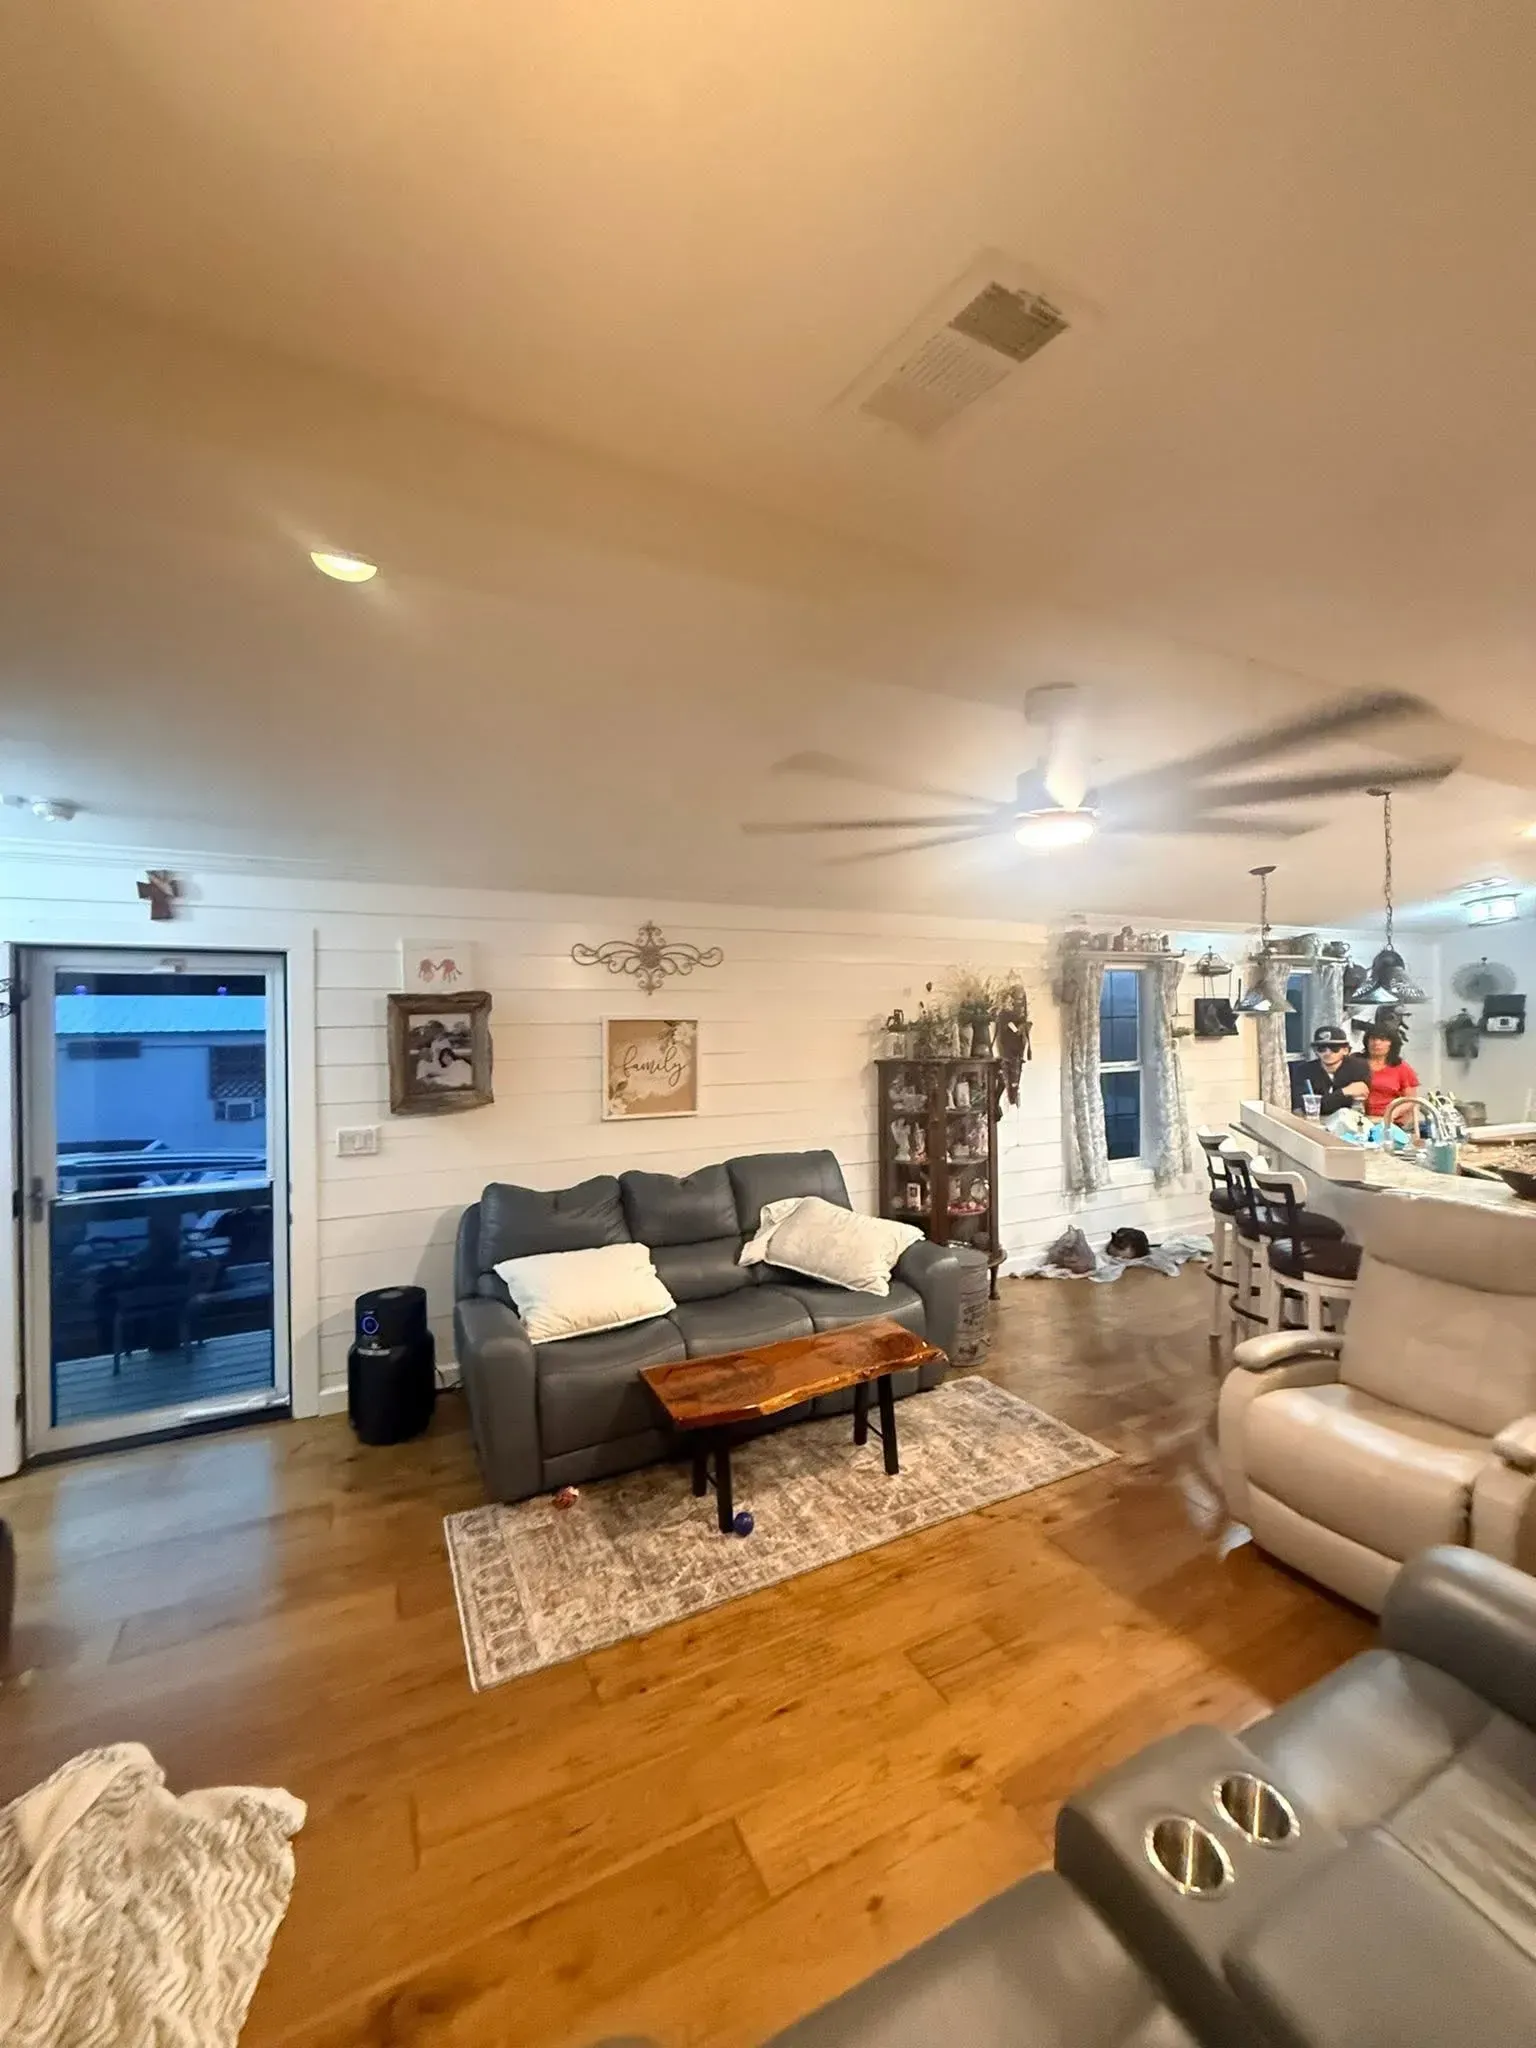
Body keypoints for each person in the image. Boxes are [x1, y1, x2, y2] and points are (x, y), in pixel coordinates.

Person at [1289, 1024, 1371, 1117]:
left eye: (1334, 1048)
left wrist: (1324, 1101)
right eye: (1322, 1049)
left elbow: (1356, 1105)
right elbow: (1305, 1107)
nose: (1328, 1053)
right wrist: (1344, 1092)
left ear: (1345, 1050)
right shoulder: (1304, 1070)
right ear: (1315, 1051)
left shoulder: (1359, 1067)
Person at [1362, 1022, 1420, 1122]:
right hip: (1358, 1118)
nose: (1376, 1043)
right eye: (1373, 1039)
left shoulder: (1402, 1067)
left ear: (1392, 1043)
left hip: (1391, 1121)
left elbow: (1410, 1100)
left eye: (1382, 1039)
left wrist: (1391, 1115)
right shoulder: (1355, 1062)